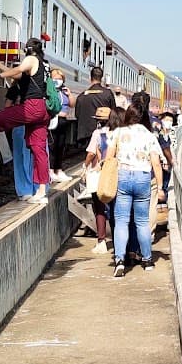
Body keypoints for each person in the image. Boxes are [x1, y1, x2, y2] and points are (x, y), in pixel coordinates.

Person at [0, 37, 51, 203]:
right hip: (42, 110)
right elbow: (19, 73)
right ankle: (41, 192)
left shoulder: (31, 59)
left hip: (30, 107)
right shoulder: (44, 65)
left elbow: (19, 69)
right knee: (39, 150)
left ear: (29, 49)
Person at [107, 104, 164, 276]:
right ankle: (147, 260)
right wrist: (160, 187)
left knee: (122, 221)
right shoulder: (149, 135)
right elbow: (156, 162)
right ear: (143, 117)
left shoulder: (118, 132)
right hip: (143, 178)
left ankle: (119, 261)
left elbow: (109, 158)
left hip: (123, 176)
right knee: (142, 222)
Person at [82, 104, 118, 253]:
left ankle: (101, 241)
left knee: (99, 209)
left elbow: (91, 153)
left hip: (99, 174)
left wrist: (85, 166)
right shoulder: (118, 132)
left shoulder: (97, 134)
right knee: (116, 208)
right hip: (114, 174)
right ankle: (118, 241)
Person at [73, 65, 116, 146]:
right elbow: (113, 113)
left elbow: (77, 115)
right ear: (102, 78)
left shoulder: (81, 96)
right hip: (103, 132)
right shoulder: (108, 94)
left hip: (86, 134)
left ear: (90, 78)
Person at [47, 67, 73, 184]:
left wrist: (70, 94)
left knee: (60, 146)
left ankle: (59, 169)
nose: (57, 80)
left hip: (63, 120)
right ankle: (51, 170)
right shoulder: (50, 91)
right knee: (52, 146)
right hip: (53, 120)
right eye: (55, 78)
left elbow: (72, 104)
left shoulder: (64, 91)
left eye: (60, 78)